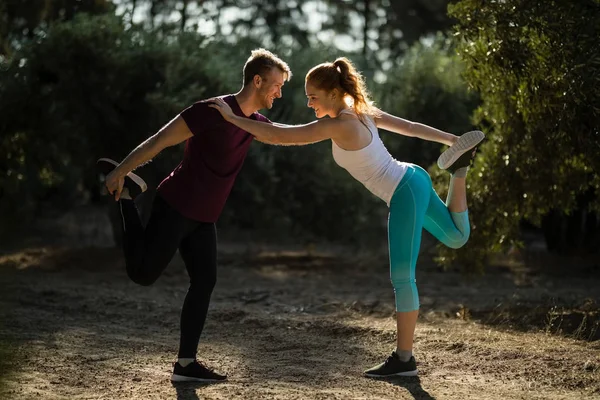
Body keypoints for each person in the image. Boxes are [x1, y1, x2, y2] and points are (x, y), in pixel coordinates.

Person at [207, 57, 484, 378]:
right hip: (414, 177)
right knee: (457, 237)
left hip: (403, 191)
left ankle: (404, 359)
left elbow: (280, 136)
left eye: (313, 96)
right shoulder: (359, 110)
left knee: (402, 277)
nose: (308, 103)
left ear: (333, 92)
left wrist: (232, 118)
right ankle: (459, 169)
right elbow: (408, 128)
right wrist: (451, 141)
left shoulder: (338, 123)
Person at [97, 48, 292, 382]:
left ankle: (185, 364)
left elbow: (289, 135)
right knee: (143, 275)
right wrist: (120, 172)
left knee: (205, 281)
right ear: (257, 81)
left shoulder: (254, 123)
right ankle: (127, 197)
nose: (279, 92)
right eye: (276, 85)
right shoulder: (210, 111)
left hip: (204, 217)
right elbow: (160, 140)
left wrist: (333, 122)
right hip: (176, 205)